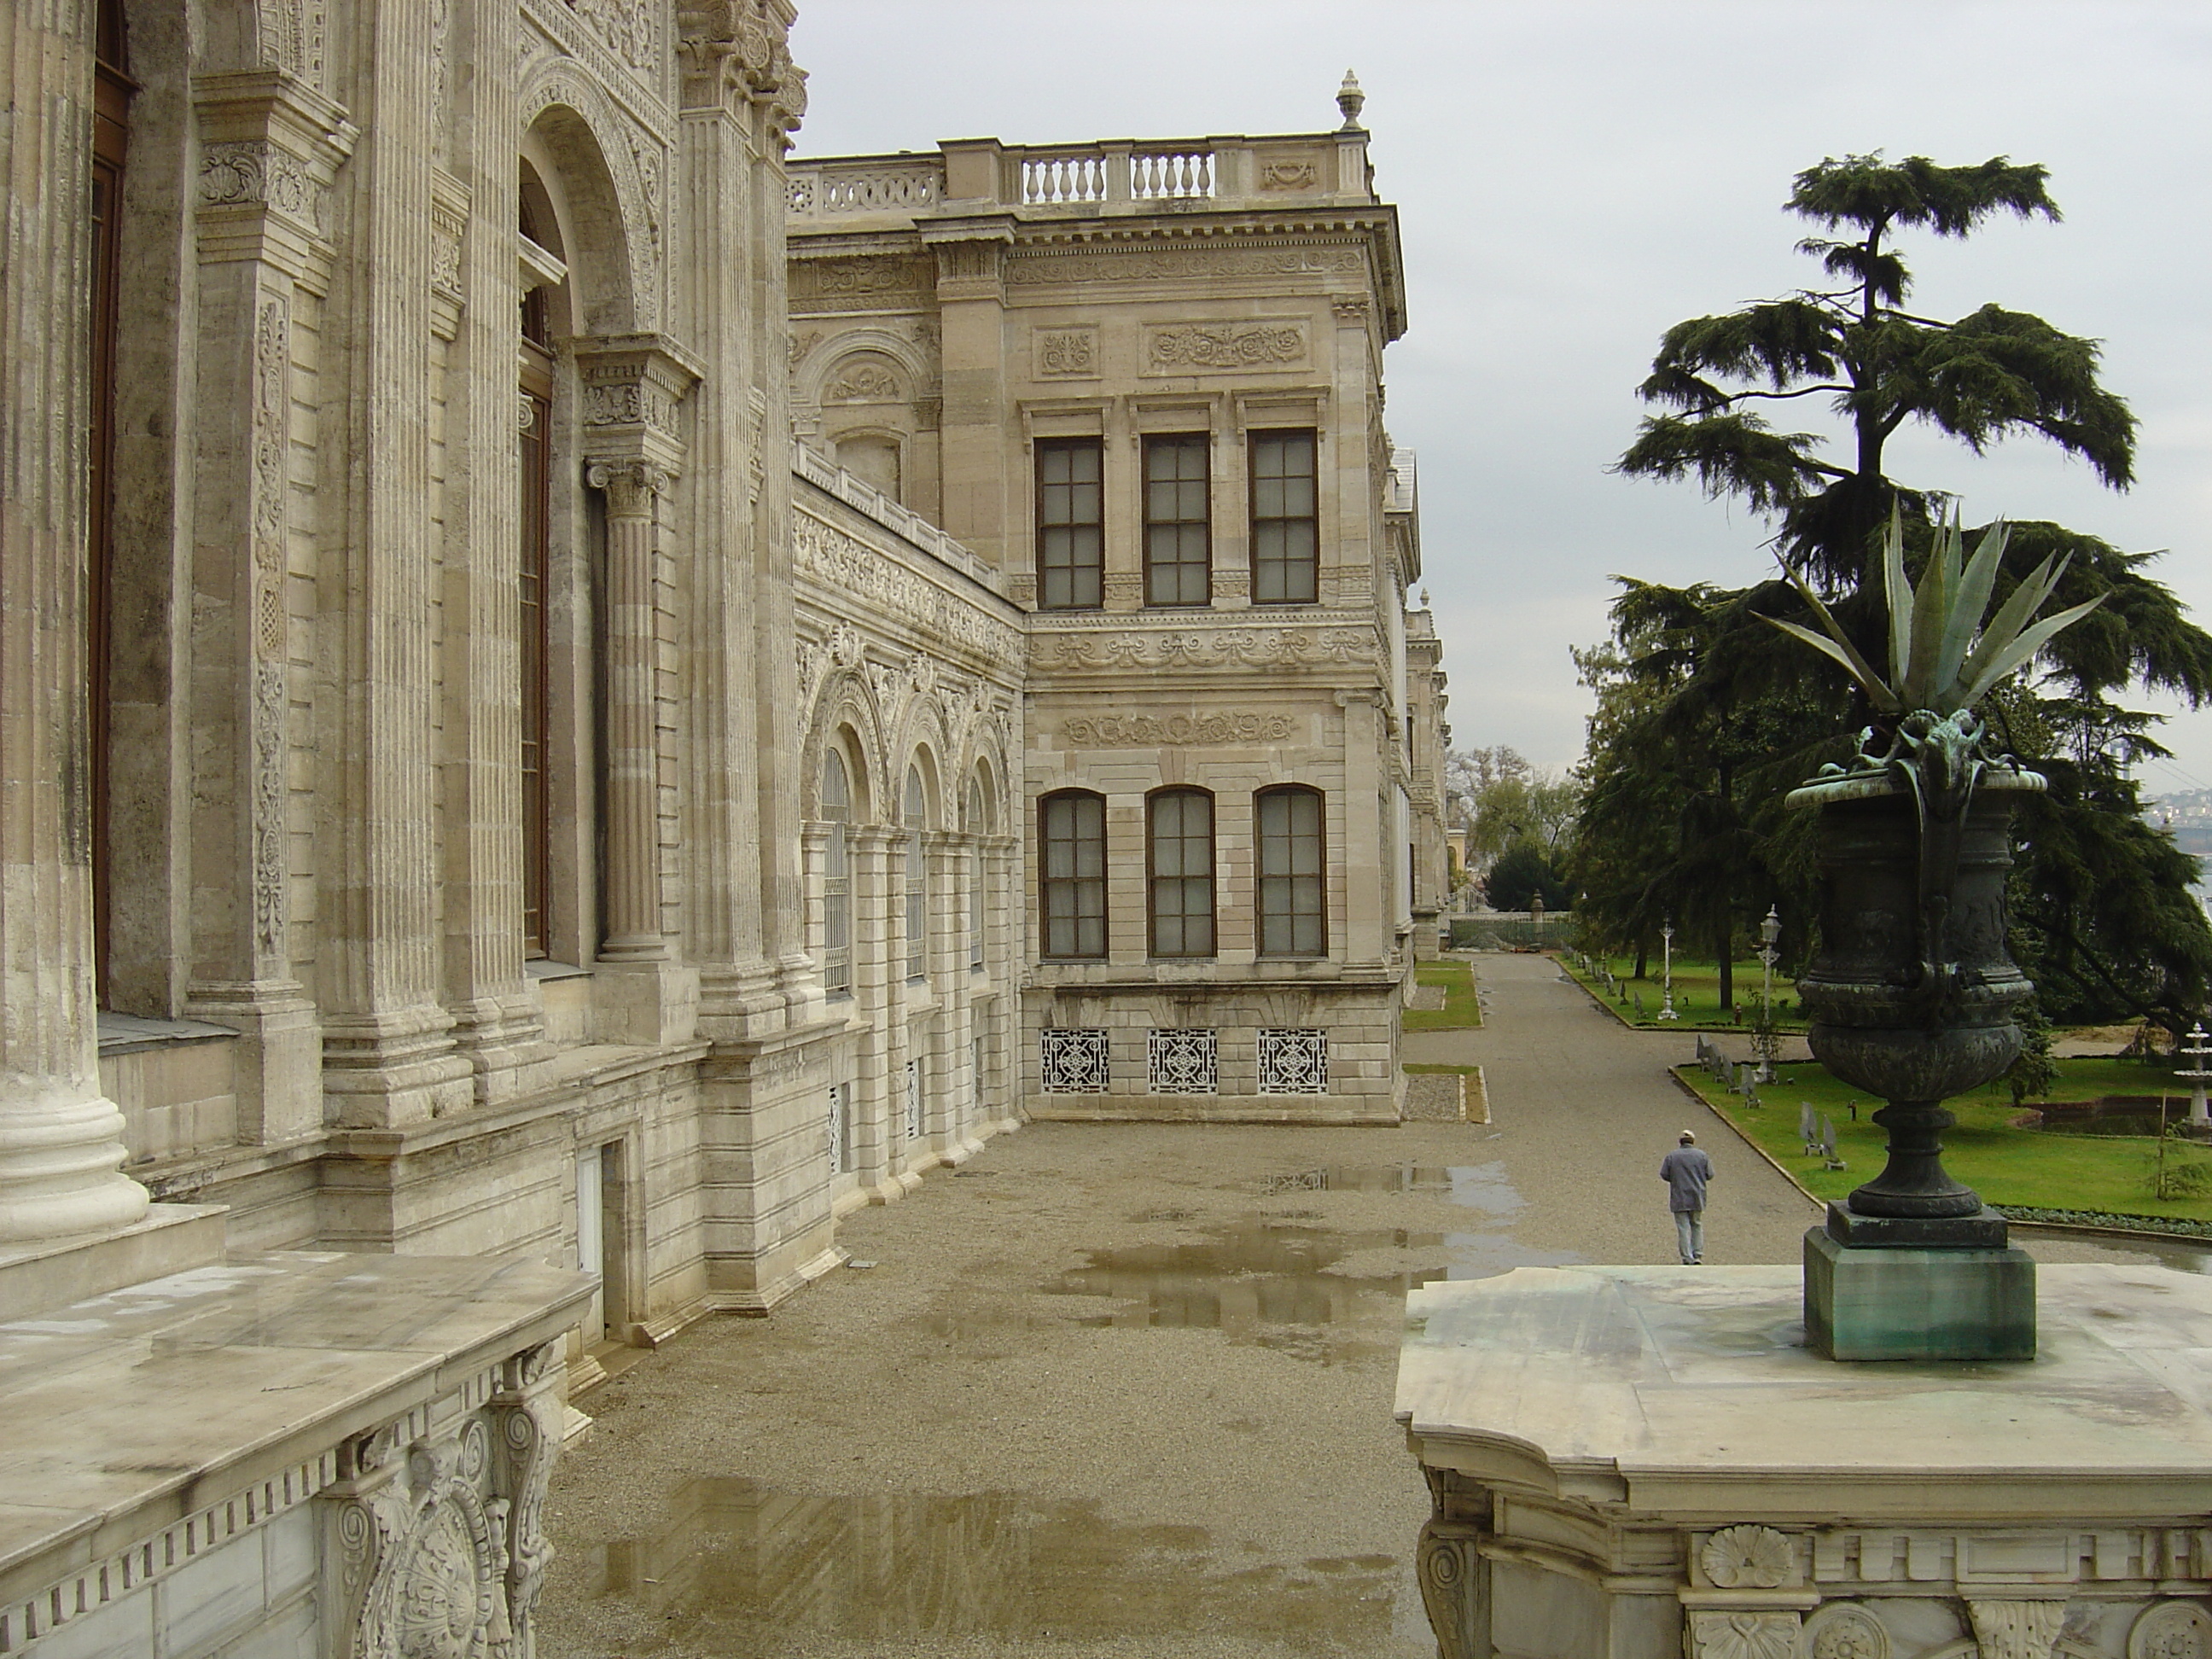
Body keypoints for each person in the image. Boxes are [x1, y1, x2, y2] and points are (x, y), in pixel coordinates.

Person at [1660, 1130, 1714, 1264]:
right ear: (1693, 1142)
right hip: (1697, 1195)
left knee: (1683, 1227)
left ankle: (1686, 1257)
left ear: (1680, 1142)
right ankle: (1698, 1254)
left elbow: (1664, 1174)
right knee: (1696, 1224)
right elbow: (1710, 1174)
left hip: (1679, 1196)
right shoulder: (1702, 1156)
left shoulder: (1672, 1156)